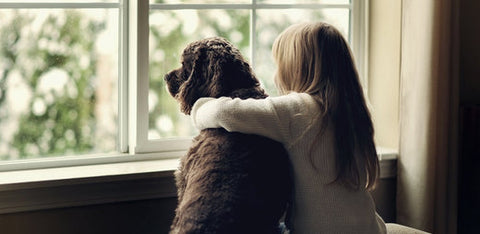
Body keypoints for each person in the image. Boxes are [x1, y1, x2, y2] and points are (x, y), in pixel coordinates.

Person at [190, 22, 386, 234]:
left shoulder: (300, 110)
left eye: (279, 65)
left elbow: (224, 113)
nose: (276, 75)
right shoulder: (354, 111)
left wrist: (198, 106)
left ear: (296, 68)